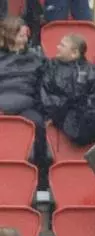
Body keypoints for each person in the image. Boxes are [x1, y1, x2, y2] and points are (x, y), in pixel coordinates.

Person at [40, 34, 95, 146]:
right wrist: (60, 111)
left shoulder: (93, 71)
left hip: (87, 115)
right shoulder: (51, 67)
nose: (58, 47)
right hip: (60, 114)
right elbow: (46, 94)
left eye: (62, 45)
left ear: (75, 53)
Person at [0, 17, 48, 170]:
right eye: (21, 36)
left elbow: (41, 87)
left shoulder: (36, 59)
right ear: (9, 36)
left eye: (26, 35)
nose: (26, 38)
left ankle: (40, 172)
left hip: (26, 105)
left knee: (38, 123)